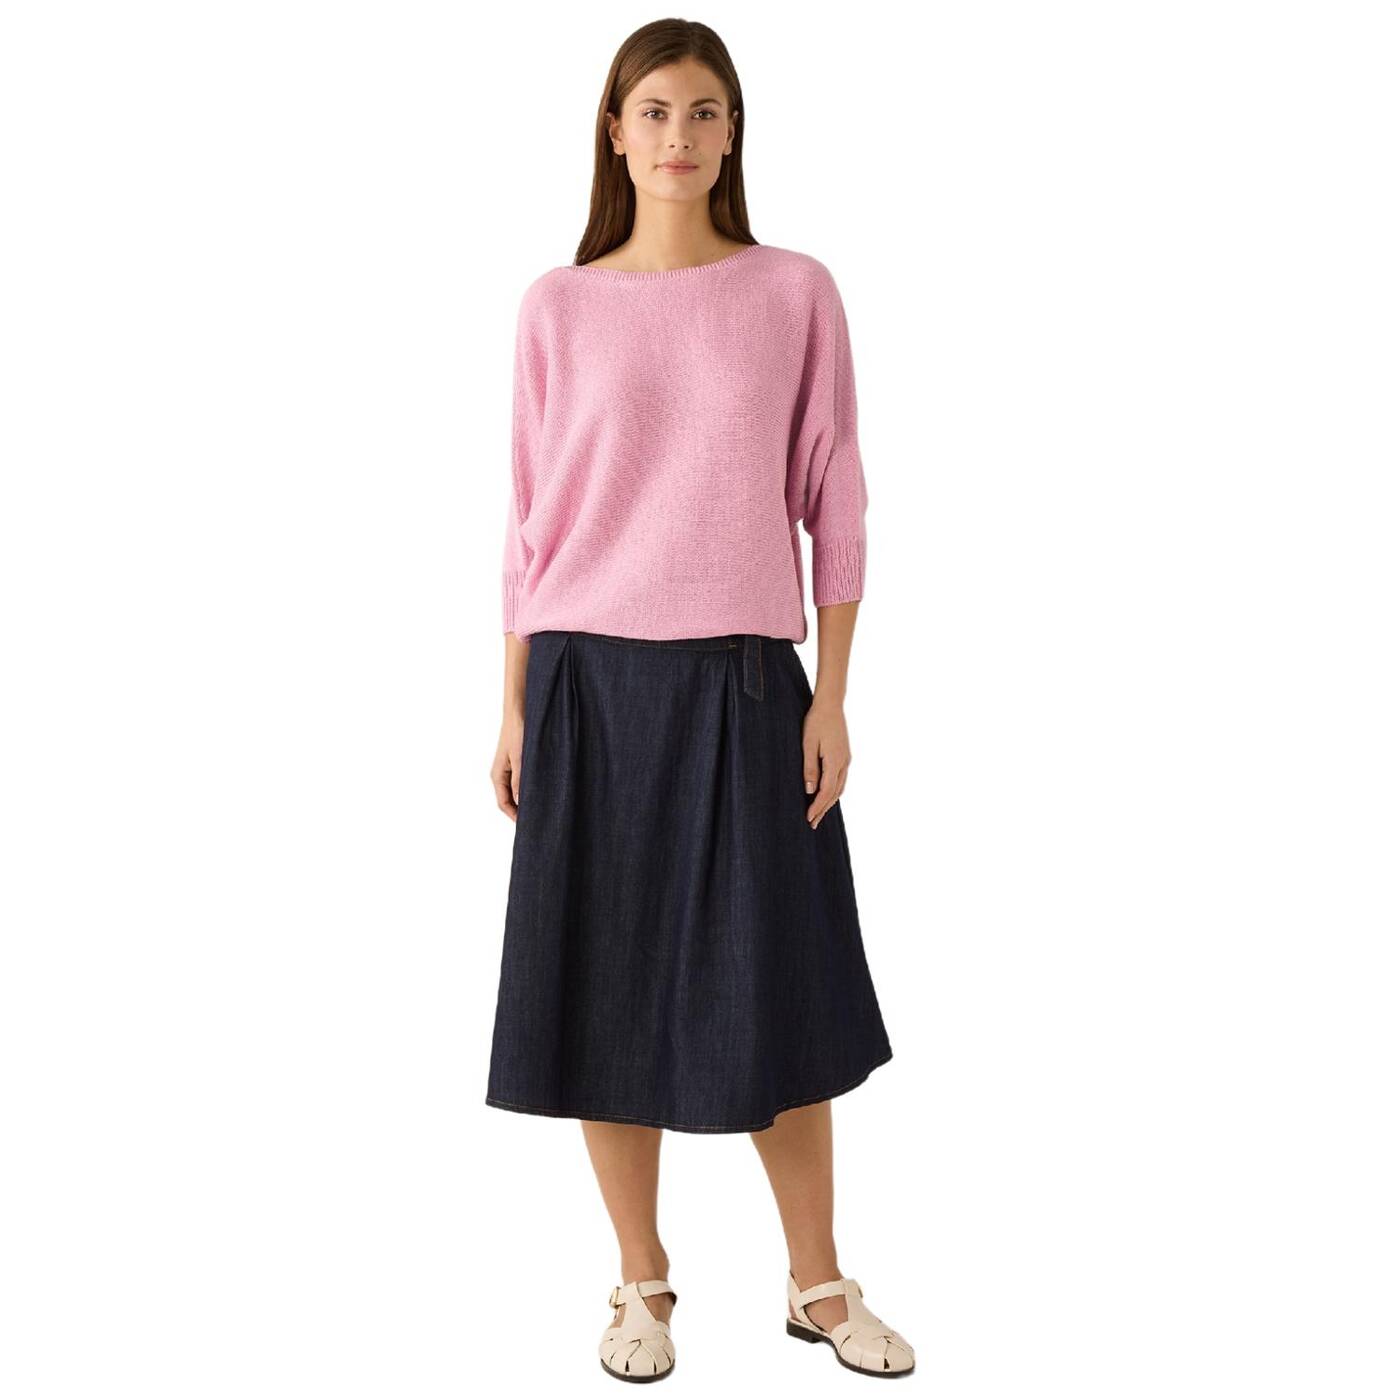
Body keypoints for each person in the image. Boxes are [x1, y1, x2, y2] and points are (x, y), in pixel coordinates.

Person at [484, 19, 915, 1383]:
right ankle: (642, 1282)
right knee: (602, 993)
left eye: (704, 112)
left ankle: (817, 1282)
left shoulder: (794, 292)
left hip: (742, 682)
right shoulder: (557, 306)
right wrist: (512, 705)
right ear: (615, 134)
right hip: (585, 684)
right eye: (655, 111)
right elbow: (529, 519)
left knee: (777, 988)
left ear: (733, 136)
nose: (679, 136)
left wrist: (831, 696)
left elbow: (836, 499)